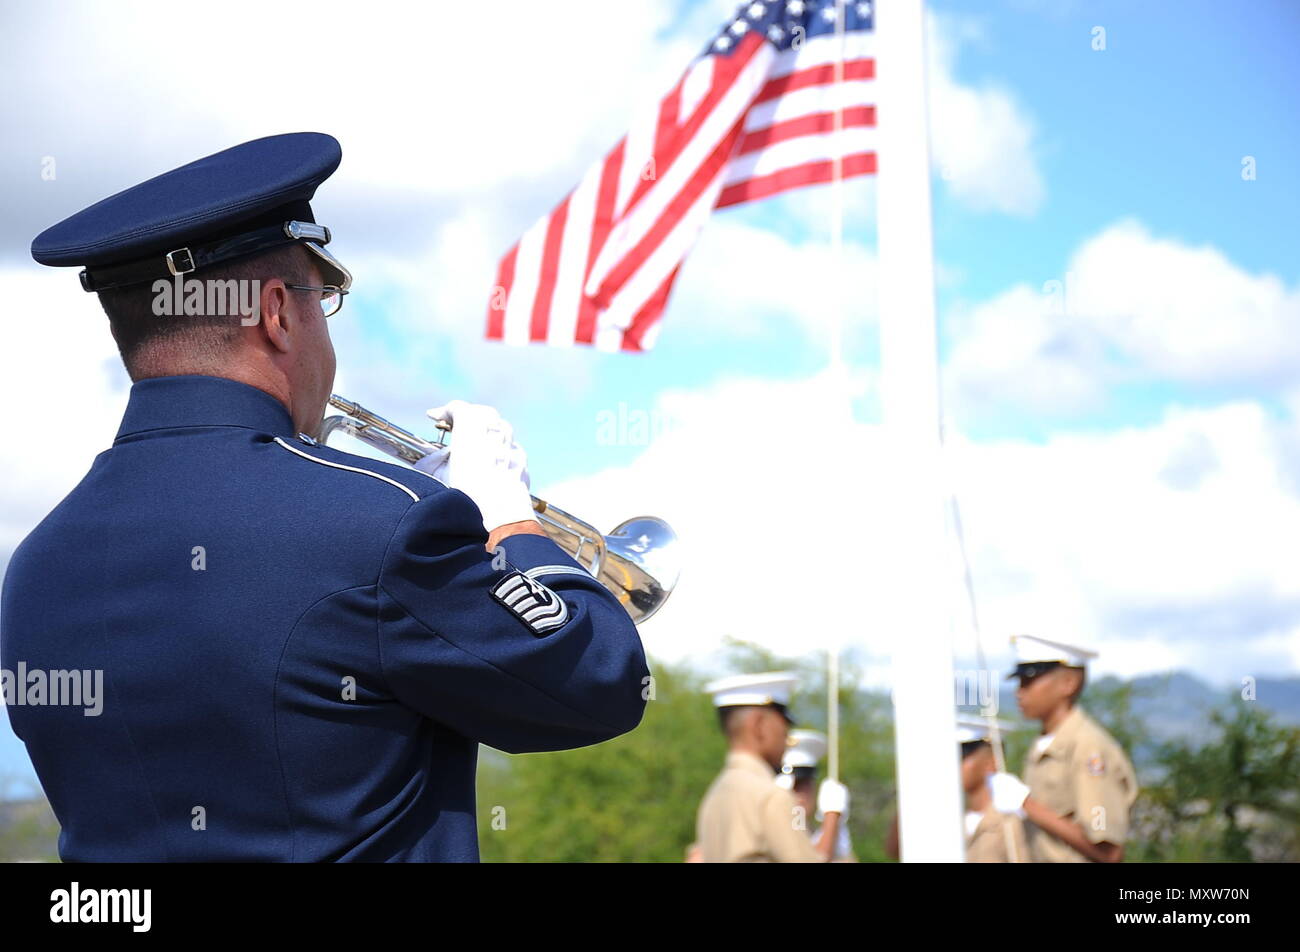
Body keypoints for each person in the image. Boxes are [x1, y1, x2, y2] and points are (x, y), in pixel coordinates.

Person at [1, 132, 650, 862]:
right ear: (277, 313)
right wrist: (507, 518)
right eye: (326, 301)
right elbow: (602, 682)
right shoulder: (383, 524)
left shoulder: (35, 564)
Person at [986, 635, 1139, 863]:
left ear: (1068, 683)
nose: (1019, 691)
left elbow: (1107, 851)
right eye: (1019, 682)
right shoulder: (1044, 746)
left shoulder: (1088, 748)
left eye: (1029, 681)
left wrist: (1027, 805)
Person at [694, 673, 848, 862]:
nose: (786, 736)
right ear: (758, 725)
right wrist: (832, 819)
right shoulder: (771, 796)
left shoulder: (715, 794)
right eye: (784, 725)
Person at [955, 715, 1028, 863]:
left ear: (992, 761)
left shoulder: (1011, 822)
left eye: (962, 755)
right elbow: (895, 849)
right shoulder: (951, 820)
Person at [777, 728, 857, 862]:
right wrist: (832, 818)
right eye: (792, 788)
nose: (799, 797)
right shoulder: (769, 833)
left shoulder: (816, 836)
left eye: (803, 785)